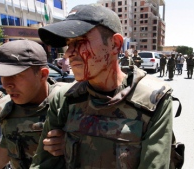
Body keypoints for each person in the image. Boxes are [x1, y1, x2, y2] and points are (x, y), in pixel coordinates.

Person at [31, 4, 174, 169]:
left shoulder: (153, 99)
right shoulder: (65, 98)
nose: (70, 52)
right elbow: (42, 163)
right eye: (69, 43)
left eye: (80, 41)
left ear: (115, 44)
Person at [0, 40, 66, 169]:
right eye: (2, 76)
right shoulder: (7, 107)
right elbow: (4, 152)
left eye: (15, 75)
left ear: (43, 74)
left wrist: (74, 143)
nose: (6, 85)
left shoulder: (69, 103)